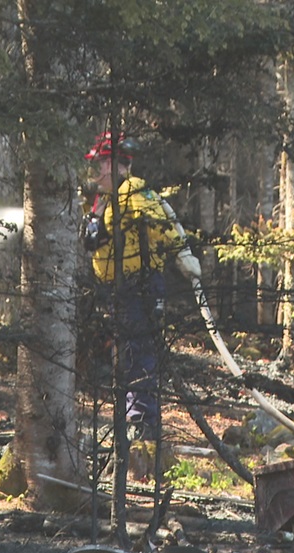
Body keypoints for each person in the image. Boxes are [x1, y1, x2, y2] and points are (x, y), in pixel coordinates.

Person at [81, 132, 201, 440]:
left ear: (114, 164)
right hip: (117, 293)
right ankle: (131, 422)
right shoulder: (104, 201)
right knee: (124, 357)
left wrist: (183, 256)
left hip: (139, 289)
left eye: (99, 165)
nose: (95, 173)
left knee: (139, 355)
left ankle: (142, 425)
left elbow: (163, 226)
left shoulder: (134, 193)